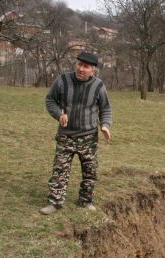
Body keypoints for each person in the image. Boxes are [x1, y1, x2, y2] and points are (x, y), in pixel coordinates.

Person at [39, 51, 112, 215]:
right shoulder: (62, 81)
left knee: (90, 171)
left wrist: (105, 125)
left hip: (89, 137)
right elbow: (50, 100)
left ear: (92, 70)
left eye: (85, 67)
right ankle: (55, 202)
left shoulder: (98, 86)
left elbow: (105, 108)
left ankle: (86, 200)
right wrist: (58, 114)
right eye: (79, 64)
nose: (81, 68)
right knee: (60, 170)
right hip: (66, 136)